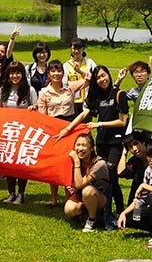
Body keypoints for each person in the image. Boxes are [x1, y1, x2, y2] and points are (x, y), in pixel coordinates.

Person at [58, 65, 128, 229]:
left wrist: (100, 124)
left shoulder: (119, 94)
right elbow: (84, 114)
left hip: (116, 143)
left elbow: (122, 121)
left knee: (113, 177)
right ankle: (97, 209)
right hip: (102, 143)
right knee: (101, 178)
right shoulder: (98, 96)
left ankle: (118, 211)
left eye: (104, 76)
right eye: (98, 78)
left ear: (109, 76)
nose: (102, 80)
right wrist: (68, 128)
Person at [36, 59, 88, 207]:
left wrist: (79, 70)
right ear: (48, 73)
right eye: (53, 71)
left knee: (69, 163)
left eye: (59, 70)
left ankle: (69, 197)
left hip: (70, 127)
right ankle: (53, 199)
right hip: (53, 129)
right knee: (54, 164)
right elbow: (42, 116)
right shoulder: (44, 92)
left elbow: (89, 79)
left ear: (63, 73)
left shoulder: (70, 87)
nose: (56, 73)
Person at [0, 61, 38, 205]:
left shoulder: (29, 91)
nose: (15, 76)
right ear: (8, 75)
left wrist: (32, 109)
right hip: (8, 132)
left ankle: (21, 193)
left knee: (21, 163)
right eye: (12, 73)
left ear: (23, 74)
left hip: (23, 133)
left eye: (18, 72)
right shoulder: (3, 90)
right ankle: (11, 193)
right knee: (8, 163)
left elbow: (36, 109)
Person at [65, 133, 109, 233]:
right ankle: (84, 214)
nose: (80, 148)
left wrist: (76, 161)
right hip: (82, 194)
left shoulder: (99, 164)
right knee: (69, 209)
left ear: (91, 148)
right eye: (78, 145)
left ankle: (92, 220)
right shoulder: (73, 160)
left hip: (100, 198)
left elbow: (80, 184)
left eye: (84, 145)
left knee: (87, 190)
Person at [62, 37, 95, 115]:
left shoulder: (89, 63)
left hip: (87, 100)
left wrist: (79, 71)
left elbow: (95, 78)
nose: (76, 51)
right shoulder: (66, 65)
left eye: (79, 48)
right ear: (70, 49)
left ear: (83, 49)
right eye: (74, 48)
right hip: (72, 101)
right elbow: (64, 84)